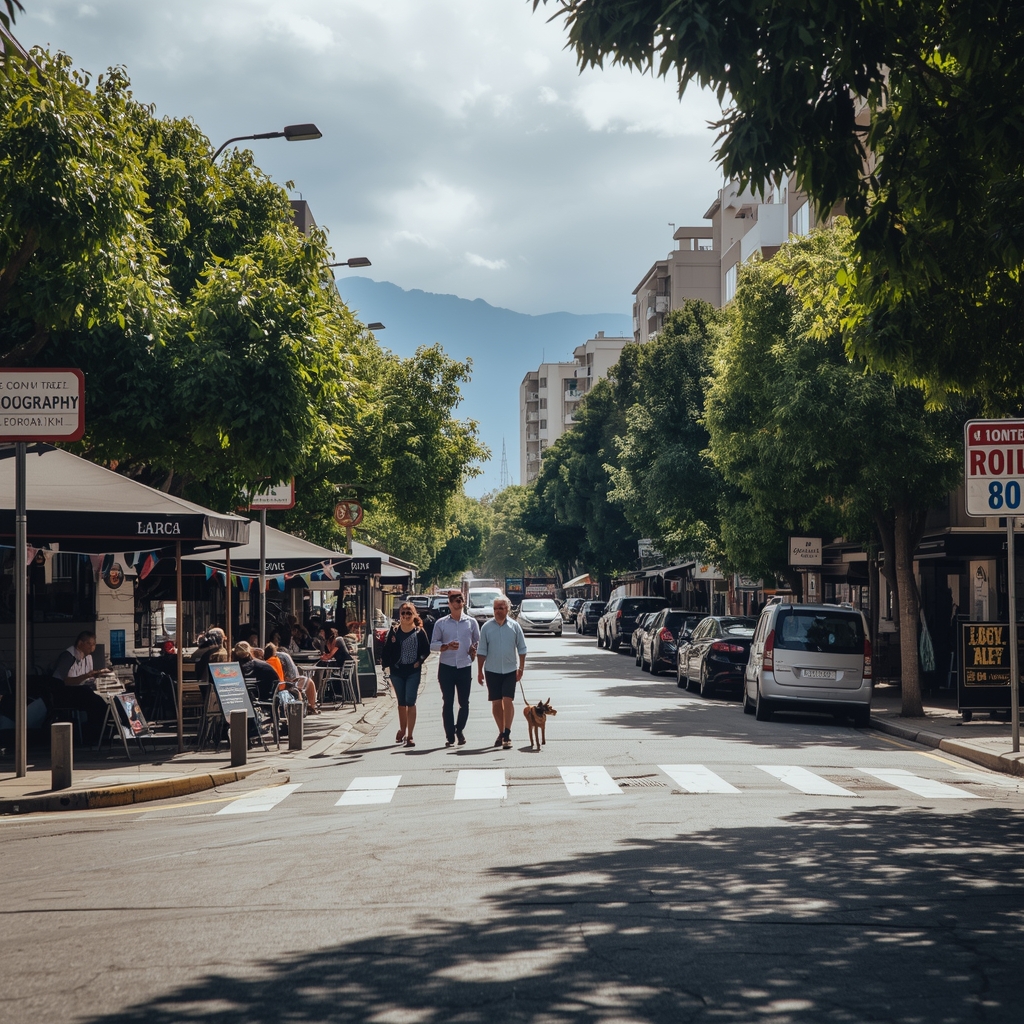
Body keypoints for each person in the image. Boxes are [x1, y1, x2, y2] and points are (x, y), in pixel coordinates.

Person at [430, 590, 480, 747]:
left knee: (464, 702)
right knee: (448, 701)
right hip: (446, 667)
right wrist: (446, 646)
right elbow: (433, 645)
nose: (459, 602)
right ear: (450, 604)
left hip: (464, 666)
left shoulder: (471, 622)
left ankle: (460, 730)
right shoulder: (441, 623)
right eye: (455, 600)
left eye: (461, 600)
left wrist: (474, 649)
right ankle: (450, 735)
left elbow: (478, 642)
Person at [476, 597, 527, 749]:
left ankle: (507, 733)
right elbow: (481, 651)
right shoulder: (486, 627)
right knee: (496, 702)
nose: (498, 611)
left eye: (501, 608)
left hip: (510, 670)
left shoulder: (515, 626)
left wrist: (521, 668)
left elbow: (522, 649)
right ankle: (501, 731)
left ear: (507, 609)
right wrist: (479, 671)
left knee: (507, 700)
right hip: (492, 670)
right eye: (496, 608)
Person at [381, 601, 430, 747]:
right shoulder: (395, 632)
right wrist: (386, 666)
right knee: (401, 702)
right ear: (400, 615)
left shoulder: (419, 632)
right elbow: (387, 649)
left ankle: (410, 735)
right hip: (397, 671)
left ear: (414, 614)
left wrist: (419, 661)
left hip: (412, 671)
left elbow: (426, 650)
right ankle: (402, 729)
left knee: (410, 701)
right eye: (403, 613)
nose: (406, 615)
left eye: (409, 613)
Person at [265, 642, 319, 714]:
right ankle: (311, 707)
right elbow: (292, 677)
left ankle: (309, 706)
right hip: (284, 684)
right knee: (308, 682)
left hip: (272, 687)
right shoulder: (281, 657)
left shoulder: (265, 661)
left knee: (305, 682)